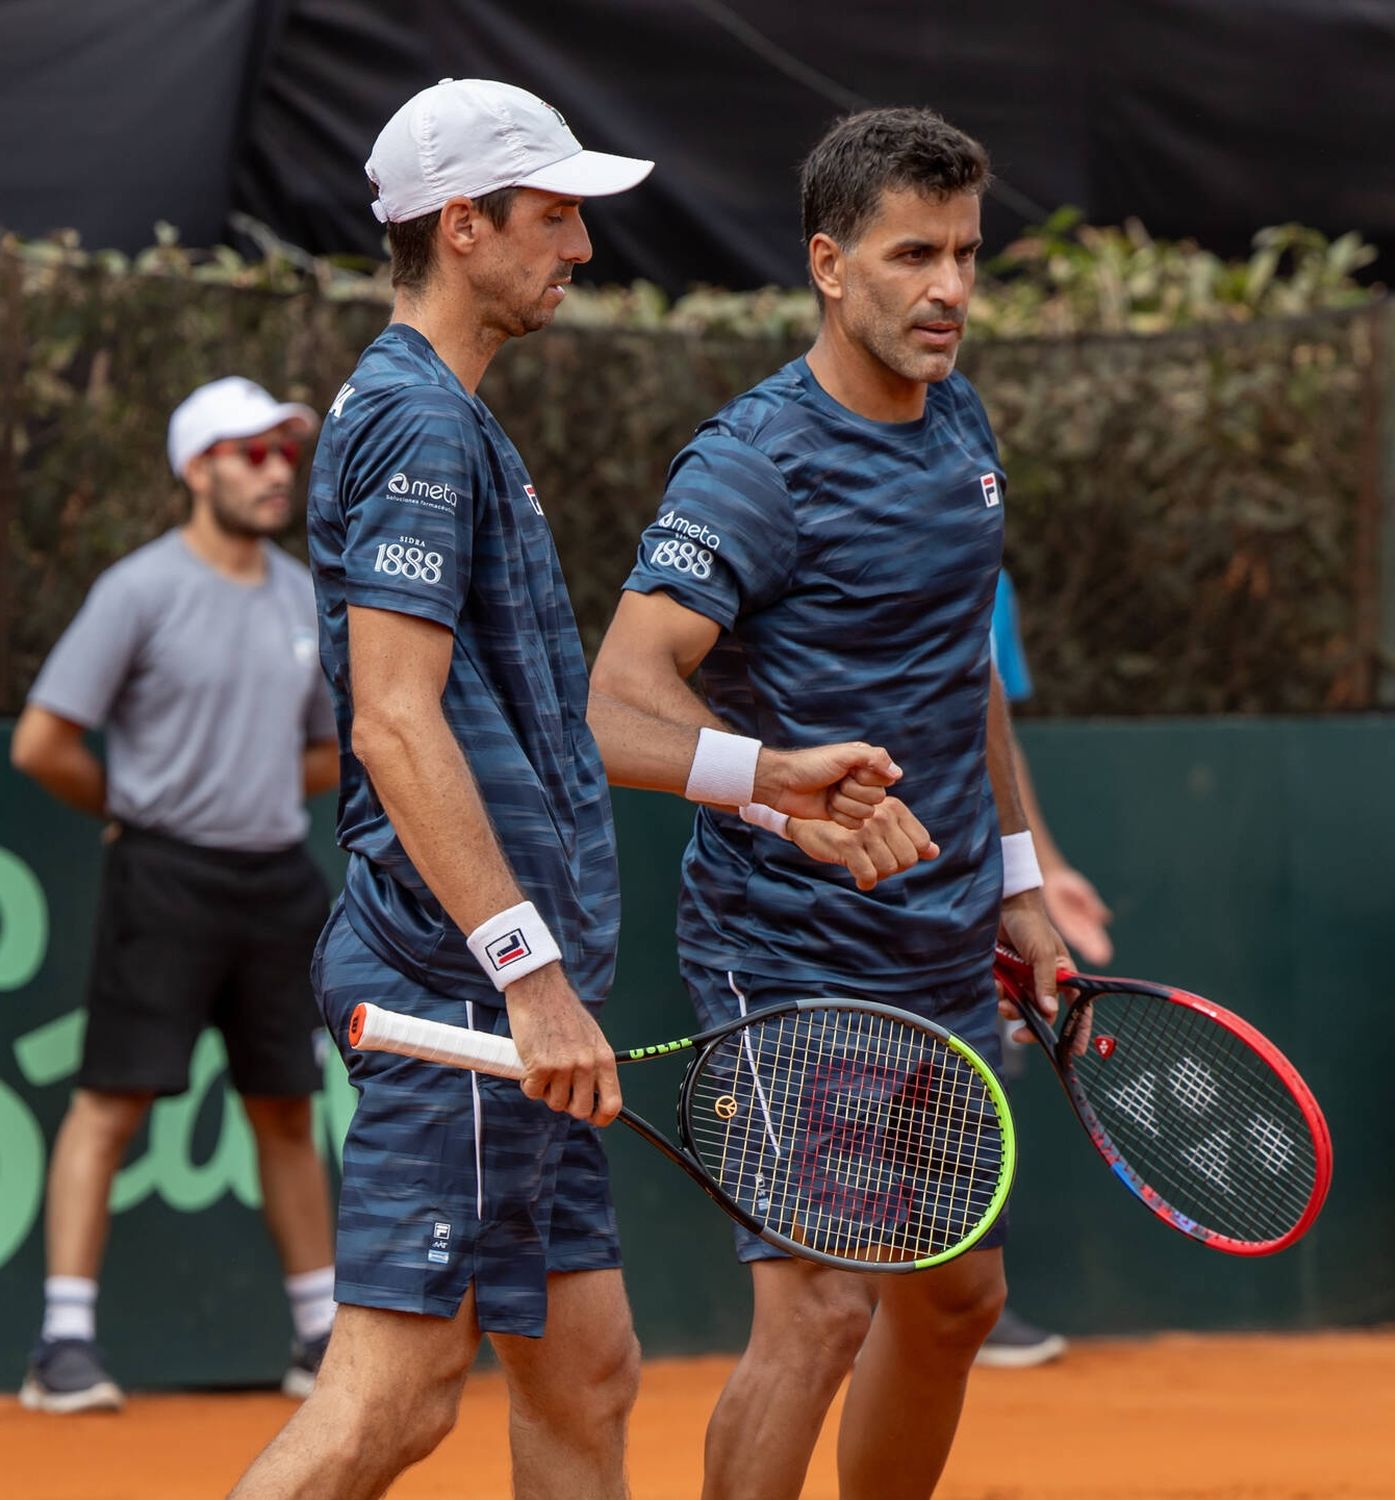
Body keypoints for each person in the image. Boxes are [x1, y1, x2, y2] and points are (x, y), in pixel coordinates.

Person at [228, 79, 905, 1500]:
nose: (584, 248)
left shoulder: (451, 423)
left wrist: (767, 789)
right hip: (465, 991)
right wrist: (526, 977)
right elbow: (395, 727)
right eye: (554, 215)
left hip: (515, 990)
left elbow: (544, 730)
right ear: (461, 226)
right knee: (395, 1401)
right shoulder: (416, 425)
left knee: (584, 1371)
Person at [591, 106, 1069, 1500]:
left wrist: (1022, 883)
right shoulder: (754, 465)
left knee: (957, 1302)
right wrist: (772, 794)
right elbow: (617, 699)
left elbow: (963, 667)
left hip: (938, 942)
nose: (949, 290)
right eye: (914, 254)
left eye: (968, 255)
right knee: (818, 1309)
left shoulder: (961, 423)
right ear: (828, 262)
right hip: (785, 949)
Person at [11, 376, 341, 1412]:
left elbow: (333, 748)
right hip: (163, 880)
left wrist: (247, 790)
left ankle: (320, 1334)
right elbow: (42, 742)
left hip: (277, 883)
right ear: (197, 469)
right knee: (110, 1103)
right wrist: (131, 805)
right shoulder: (138, 590)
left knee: (287, 1108)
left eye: (284, 453)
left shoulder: (303, 599)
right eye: (250, 454)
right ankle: (63, 1345)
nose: (274, 469)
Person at [974, 568, 1114, 1369]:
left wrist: (1040, 874)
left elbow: (994, 733)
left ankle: (960, 1302)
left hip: (965, 868)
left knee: (980, 1067)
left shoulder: (984, 565)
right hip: (833, 862)